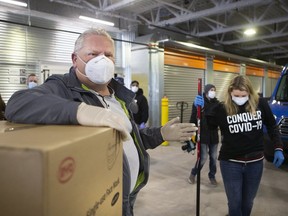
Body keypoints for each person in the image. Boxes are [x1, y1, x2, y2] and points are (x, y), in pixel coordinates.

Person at [5, 28, 197, 216]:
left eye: (108, 54)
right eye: (93, 54)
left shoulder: (120, 95)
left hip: (129, 195)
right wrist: (80, 111)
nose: (102, 60)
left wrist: (160, 133)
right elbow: (18, 103)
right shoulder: (63, 87)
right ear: (75, 59)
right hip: (100, 197)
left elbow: (128, 138)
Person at [194, 75, 284, 216]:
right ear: (230, 93)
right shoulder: (222, 108)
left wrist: (278, 147)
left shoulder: (260, 104)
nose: (240, 98)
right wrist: (200, 108)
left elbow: (272, 126)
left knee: (248, 203)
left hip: (255, 163)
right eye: (236, 95)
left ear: (250, 92)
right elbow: (208, 125)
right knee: (235, 204)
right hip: (231, 163)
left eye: (244, 95)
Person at [188, 84, 219, 186]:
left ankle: (212, 176)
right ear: (206, 91)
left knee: (214, 157)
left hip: (214, 135)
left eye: (214, 90)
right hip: (203, 134)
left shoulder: (217, 104)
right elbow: (193, 118)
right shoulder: (199, 103)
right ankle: (193, 173)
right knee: (203, 157)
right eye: (211, 90)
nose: (213, 92)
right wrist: (191, 131)